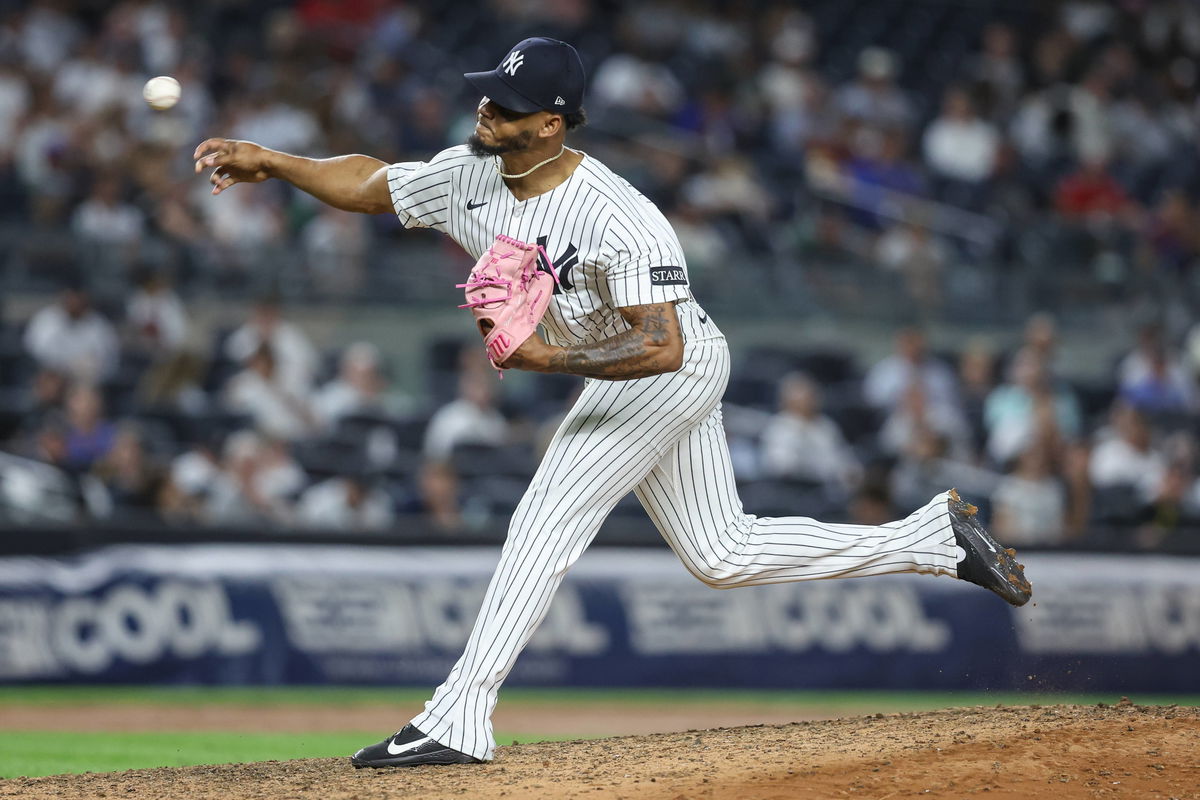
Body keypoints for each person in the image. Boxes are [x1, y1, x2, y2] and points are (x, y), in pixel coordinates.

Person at [194, 37, 1030, 769]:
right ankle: (929, 539)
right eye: (489, 94)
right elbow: (372, 183)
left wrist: (545, 357)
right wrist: (274, 162)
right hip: (627, 367)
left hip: (672, 364)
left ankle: (458, 715)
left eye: (507, 104)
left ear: (551, 123)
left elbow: (661, 345)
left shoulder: (617, 216)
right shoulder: (469, 173)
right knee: (722, 553)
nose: (486, 109)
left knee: (545, 516)